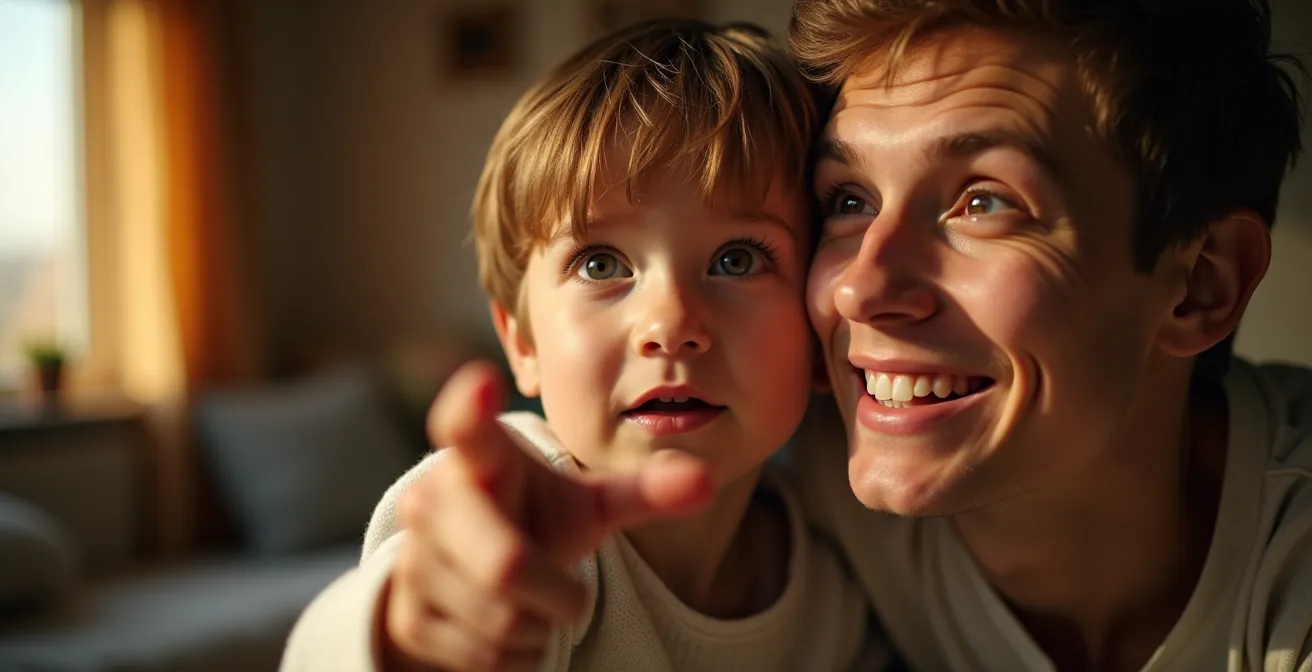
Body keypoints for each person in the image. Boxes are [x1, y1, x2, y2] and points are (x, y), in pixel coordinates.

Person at [356, 0, 1312, 670]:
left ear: (1200, 285)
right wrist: (412, 633)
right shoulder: (589, 495)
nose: (858, 287)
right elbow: (407, 586)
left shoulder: (823, 576)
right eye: (848, 201)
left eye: (985, 201)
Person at [280, 18, 893, 672]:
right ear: (522, 343)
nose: (670, 323)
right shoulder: (528, 510)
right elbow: (360, 627)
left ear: (816, 325)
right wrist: (410, 635)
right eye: (601, 265)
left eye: (737, 260)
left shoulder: (835, 582)